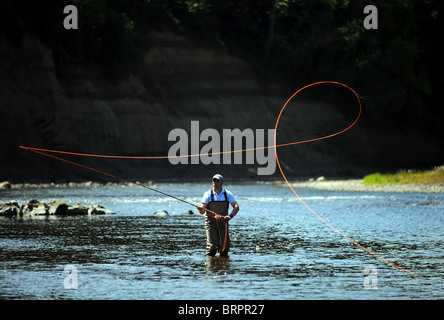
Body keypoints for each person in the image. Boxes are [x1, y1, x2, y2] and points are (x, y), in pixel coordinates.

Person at [198, 174, 239, 257]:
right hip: (211, 224)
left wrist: (230, 216)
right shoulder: (207, 194)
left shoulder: (227, 194)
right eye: (214, 181)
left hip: (223, 224)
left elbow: (236, 207)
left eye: (217, 181)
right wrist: (200, 209)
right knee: (212, 248)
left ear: (222, 182)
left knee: (224, 249)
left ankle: (222, 266)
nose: (215, 183)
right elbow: (203, 212)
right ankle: (209, 266)